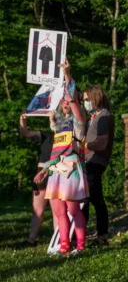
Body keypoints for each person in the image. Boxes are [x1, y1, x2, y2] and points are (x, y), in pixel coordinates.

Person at [34, 82, 88, 256]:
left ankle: (80, 246)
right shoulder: (60, 127)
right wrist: (44, 171)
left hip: (71, 169)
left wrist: (67, 76)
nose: (66, 102)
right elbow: (54, 154)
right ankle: (64, 245)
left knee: (73, 209)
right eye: (63, 99)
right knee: (58, 211)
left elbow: (74, 103)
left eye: (69, 99)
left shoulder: (79, 123)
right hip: (56, 170)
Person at [81, 85, 114, 244]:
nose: (85, 103)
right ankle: (101, 236)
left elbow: (102, 142)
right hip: (90, 160)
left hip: (95, 161)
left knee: (86, 198)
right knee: (96, 198)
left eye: (87, 99)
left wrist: (85, 146)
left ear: (96, 97)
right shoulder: (94, 116)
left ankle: (81, 236)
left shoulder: (103, 116)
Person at [19, 113, 56, 246]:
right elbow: (25, 134)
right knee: (37, 210)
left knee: (56, 211)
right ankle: (31, 240)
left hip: (55, 172)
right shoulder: (46, 135)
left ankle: (57, 241)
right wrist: (23, 121)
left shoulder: (66, 137)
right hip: (40, 173)